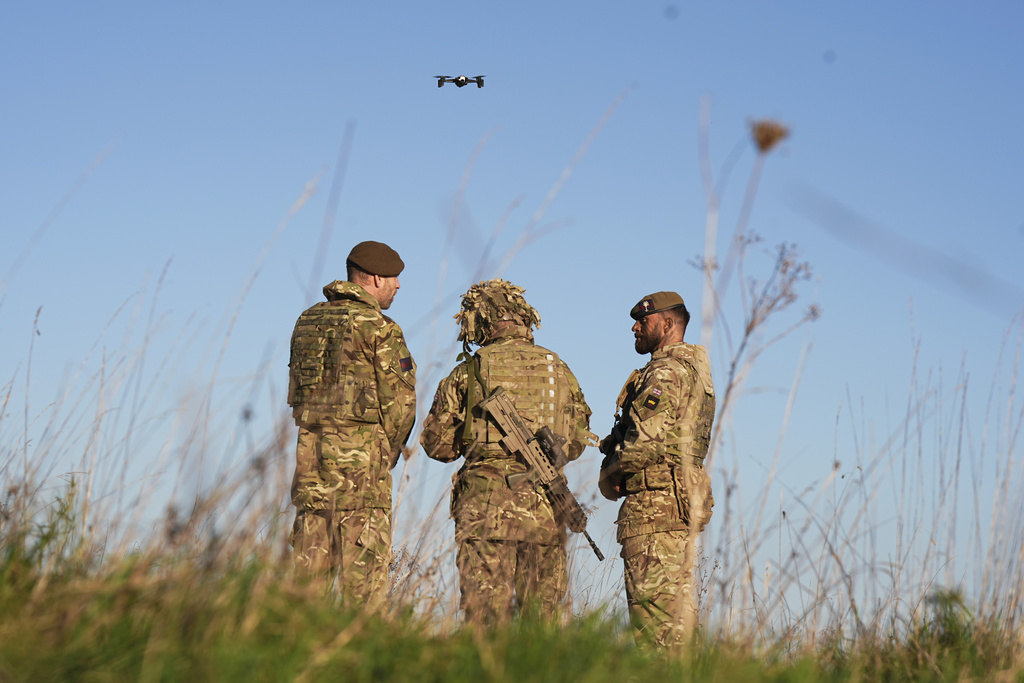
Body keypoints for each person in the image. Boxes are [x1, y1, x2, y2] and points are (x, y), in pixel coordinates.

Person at [421, 279, 594, 625]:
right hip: (546, 510)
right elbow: (576, 442)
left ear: (480, 321)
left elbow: (436, 444)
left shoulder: (467, 371)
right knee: (544, 624)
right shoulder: (557, 369)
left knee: (485, 621)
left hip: (485, 511)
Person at [286, 240, 416, 607]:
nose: (398, 286)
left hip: (311, 476)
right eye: (394, 278)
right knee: (365, 599)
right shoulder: (379, 327)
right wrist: (384, 453)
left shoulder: (307, 321)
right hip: (362, 483)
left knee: (304, 597)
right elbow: (402, 405)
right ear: (374, 278)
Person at [598, 291, 715, 649]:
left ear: (666, 324)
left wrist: (609, 475)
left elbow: (644, 444)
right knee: (677, 625)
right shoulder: (696, 370)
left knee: (655, 630)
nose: (635, 328)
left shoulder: (664, 371)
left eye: (643, 321)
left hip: (654, 510)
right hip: (676, 508)